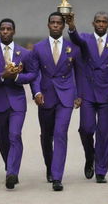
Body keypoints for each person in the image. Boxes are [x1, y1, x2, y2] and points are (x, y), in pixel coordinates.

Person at [67, 11, 108, 183]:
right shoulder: (85, 39)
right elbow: (75, 38)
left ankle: (101, 171)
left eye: (104, 22)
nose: (101, 24)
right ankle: (89, 156)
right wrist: (71, 26)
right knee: (86, 128)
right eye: (98, 21)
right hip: (87, 92)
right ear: (93, 23)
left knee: (104, 133)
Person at [0, 18, 36, 189]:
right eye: (2, 29)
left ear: (14, 32)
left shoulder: (24, 53)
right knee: (3, 140)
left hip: (17, 102)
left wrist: (18, 77)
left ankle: (12, 173)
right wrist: (3, 75)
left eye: (8, 29)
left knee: (15, 135)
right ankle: (9, 165)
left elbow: (32, 74)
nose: (5, 31)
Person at [30, 12, 81, 191]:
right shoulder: (38, 48)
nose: (56, 25)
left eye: (59, 22)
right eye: (52, 22)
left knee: (60, 133)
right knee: (47, 136)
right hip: (45, 96)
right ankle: (49, 166)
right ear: (48, 25)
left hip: (65, 96)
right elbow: (35, 73)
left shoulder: (72, 47)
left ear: (63, 25)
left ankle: (57, 176)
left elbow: (79, 73)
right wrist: (36, 92)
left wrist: (78, 94)